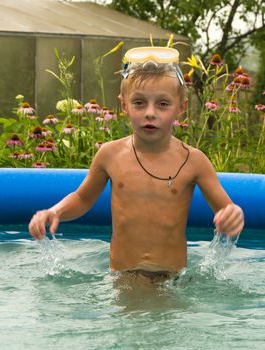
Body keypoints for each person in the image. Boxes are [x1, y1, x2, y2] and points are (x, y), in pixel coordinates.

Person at [28, 46, 244, 283]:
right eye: (139, 103)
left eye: (163, 104)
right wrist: (55, 211)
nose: (150, 113)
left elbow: (226, 208)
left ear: (181, 107)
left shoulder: (194, 161)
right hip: (122, 278)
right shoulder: (110, 154)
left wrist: (233, 214)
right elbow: (83, 198)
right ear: (124, 105)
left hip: (172, 280)